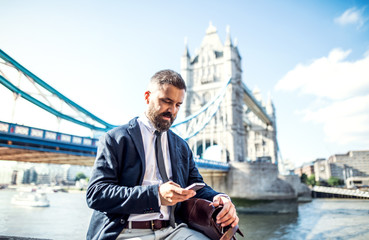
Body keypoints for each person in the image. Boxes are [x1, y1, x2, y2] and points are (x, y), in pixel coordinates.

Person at [86, 69, 239, 240]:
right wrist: (156, 195)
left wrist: (220, 198)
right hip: (126, 232)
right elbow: (96, 194)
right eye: (166, 101)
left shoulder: (181, 146)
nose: (172, 110)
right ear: (147, 97)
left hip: (174, 230)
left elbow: (198, 187)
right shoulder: (115, 139)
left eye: (178, 105)